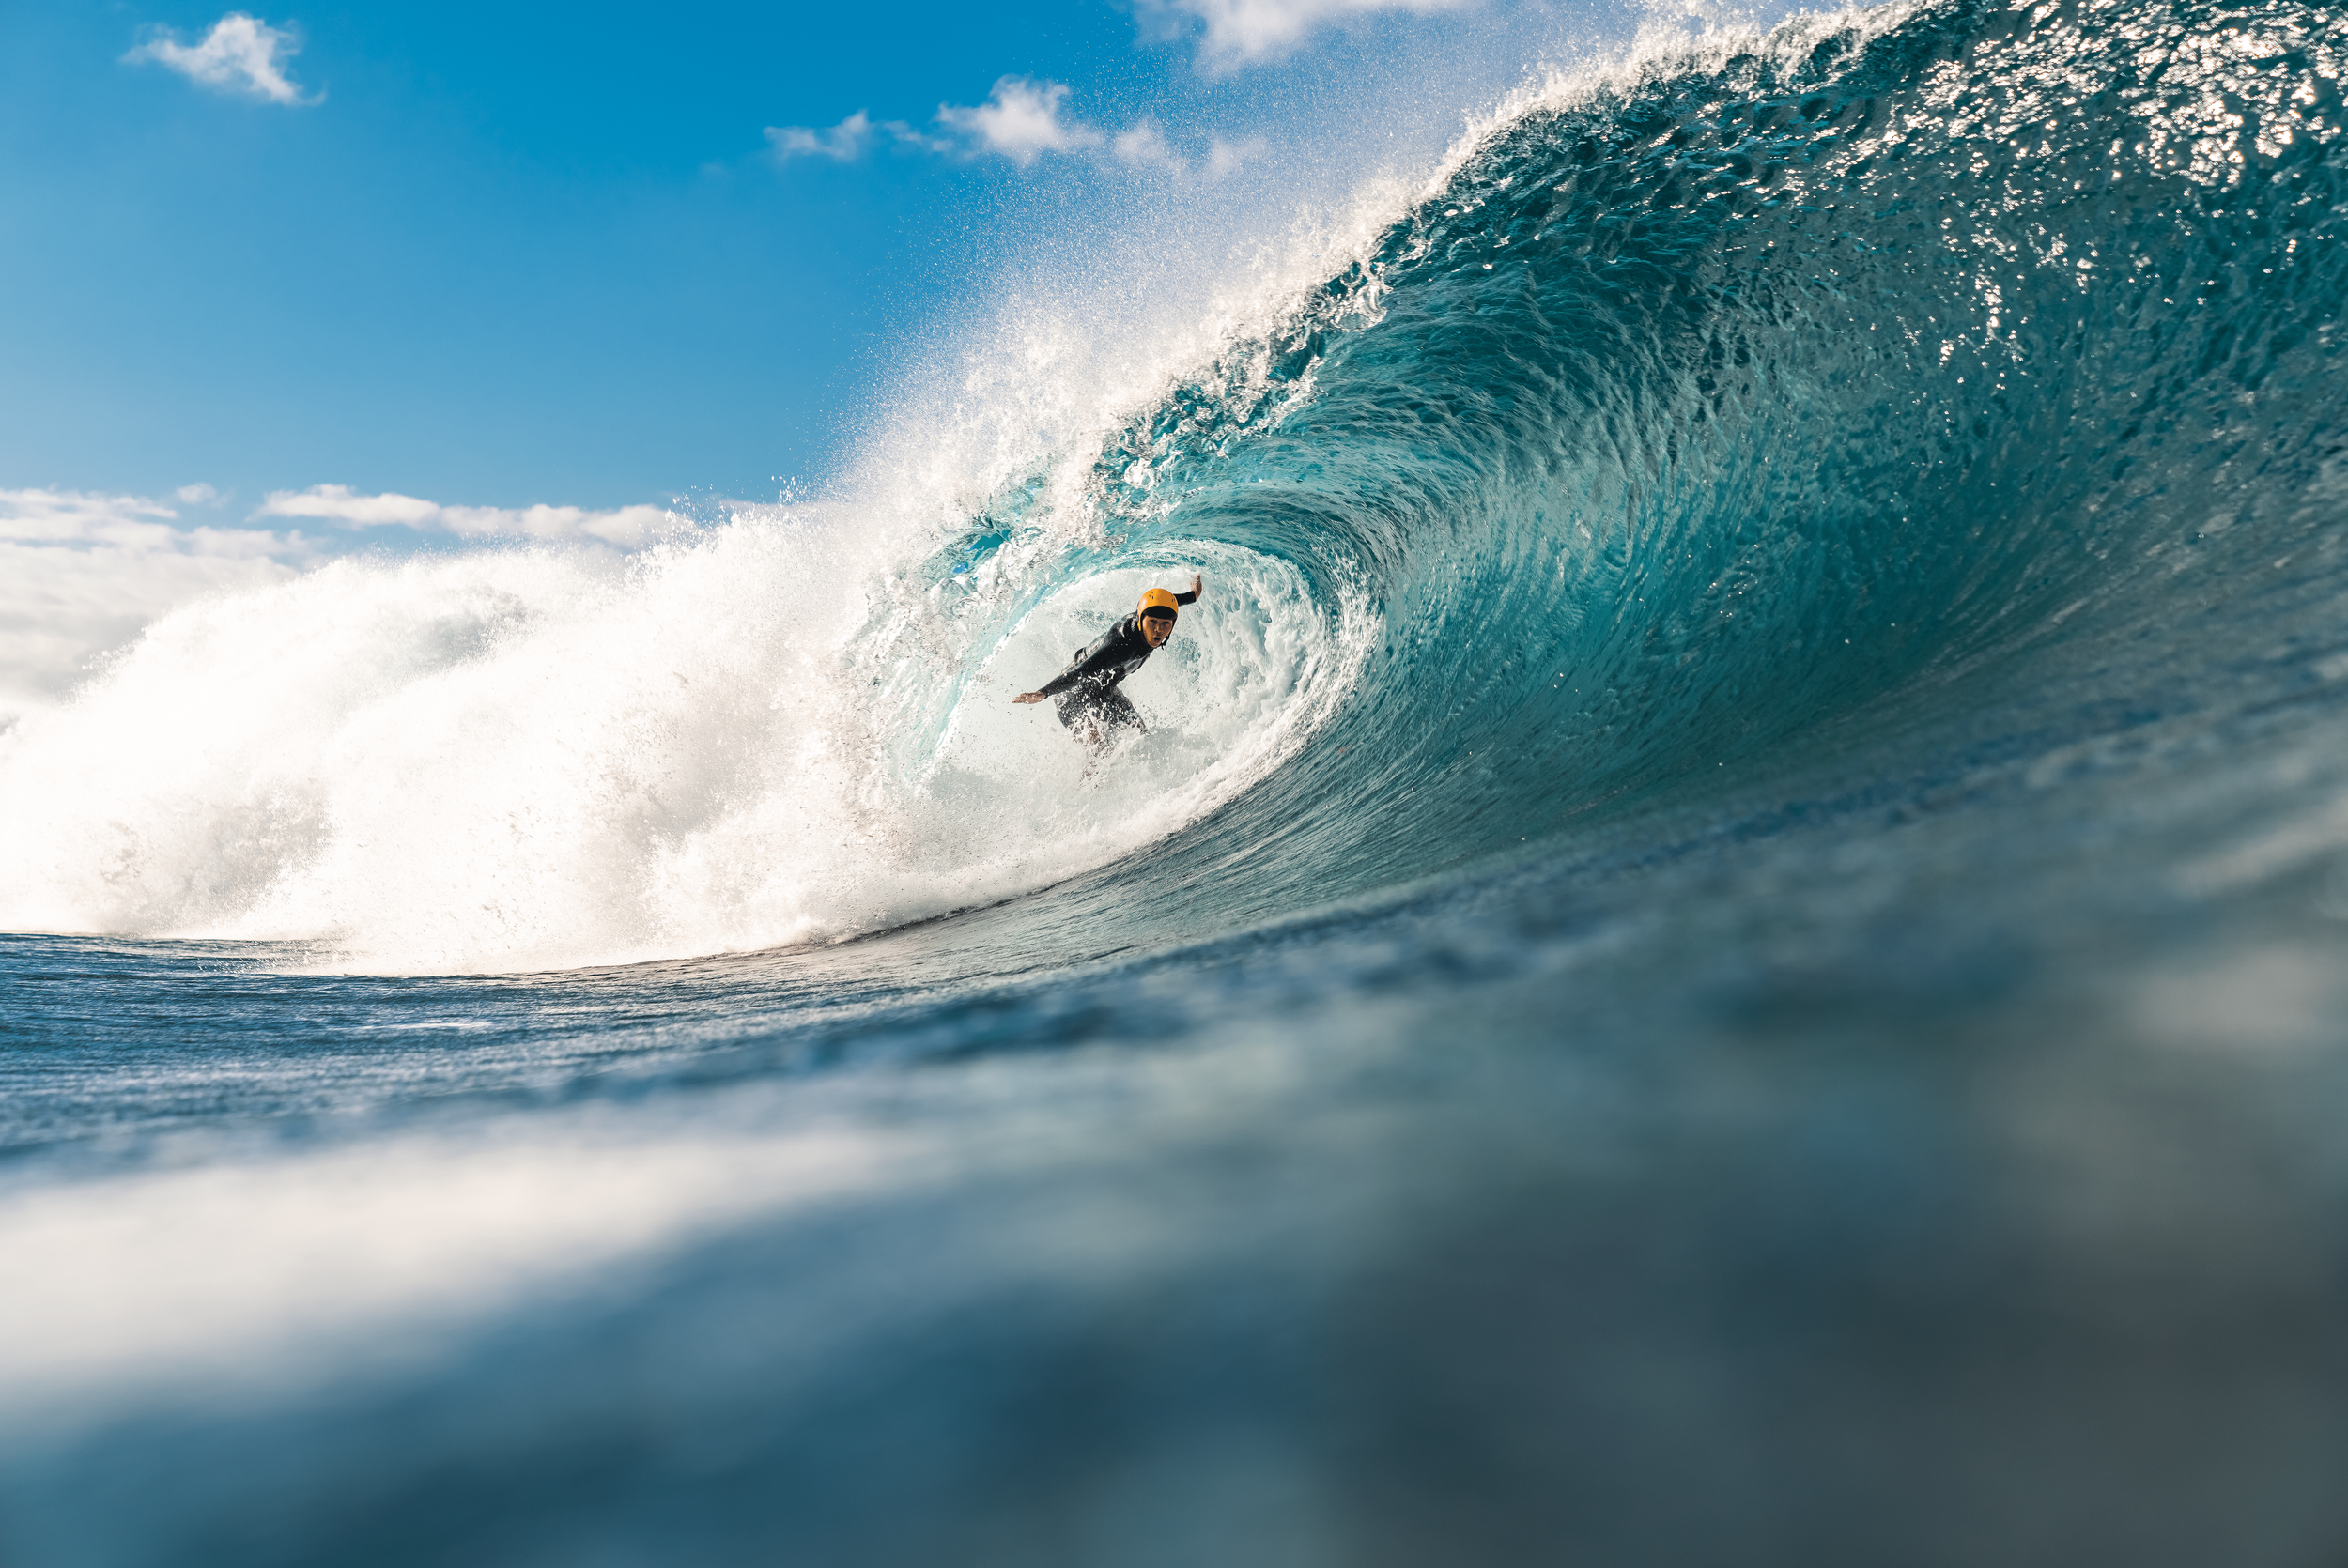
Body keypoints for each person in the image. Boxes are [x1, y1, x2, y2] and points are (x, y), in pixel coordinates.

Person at [1014, 575, 1203, 751]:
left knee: (1142, 734)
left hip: (1106, 692)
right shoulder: (1121, 646)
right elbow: (1080, 673)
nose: (1158, 630)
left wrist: (1192, 595)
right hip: (1072, 697)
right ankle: (1084, 787)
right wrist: (1043, 692)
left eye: (1165, 624)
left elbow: (1166, 603)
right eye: (1152, 622)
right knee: (1100, 750)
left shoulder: (1154, 614)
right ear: (1141, 618)